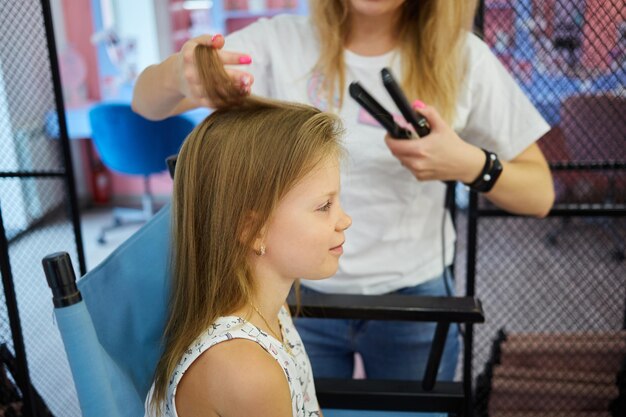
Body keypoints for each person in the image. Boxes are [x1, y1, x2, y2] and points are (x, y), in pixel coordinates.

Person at [134, 0, 554, 381]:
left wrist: (468, 164)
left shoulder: (464, 59)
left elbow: (540, 194)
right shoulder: (278, 44)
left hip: (414, 299)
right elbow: (147, 103)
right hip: (291, 295)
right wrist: (179, 73)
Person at [145, 45, 351, 417]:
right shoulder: (245, 370)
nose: (345, 220)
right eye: (324, 206)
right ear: (252, 229)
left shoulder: (269, 310)